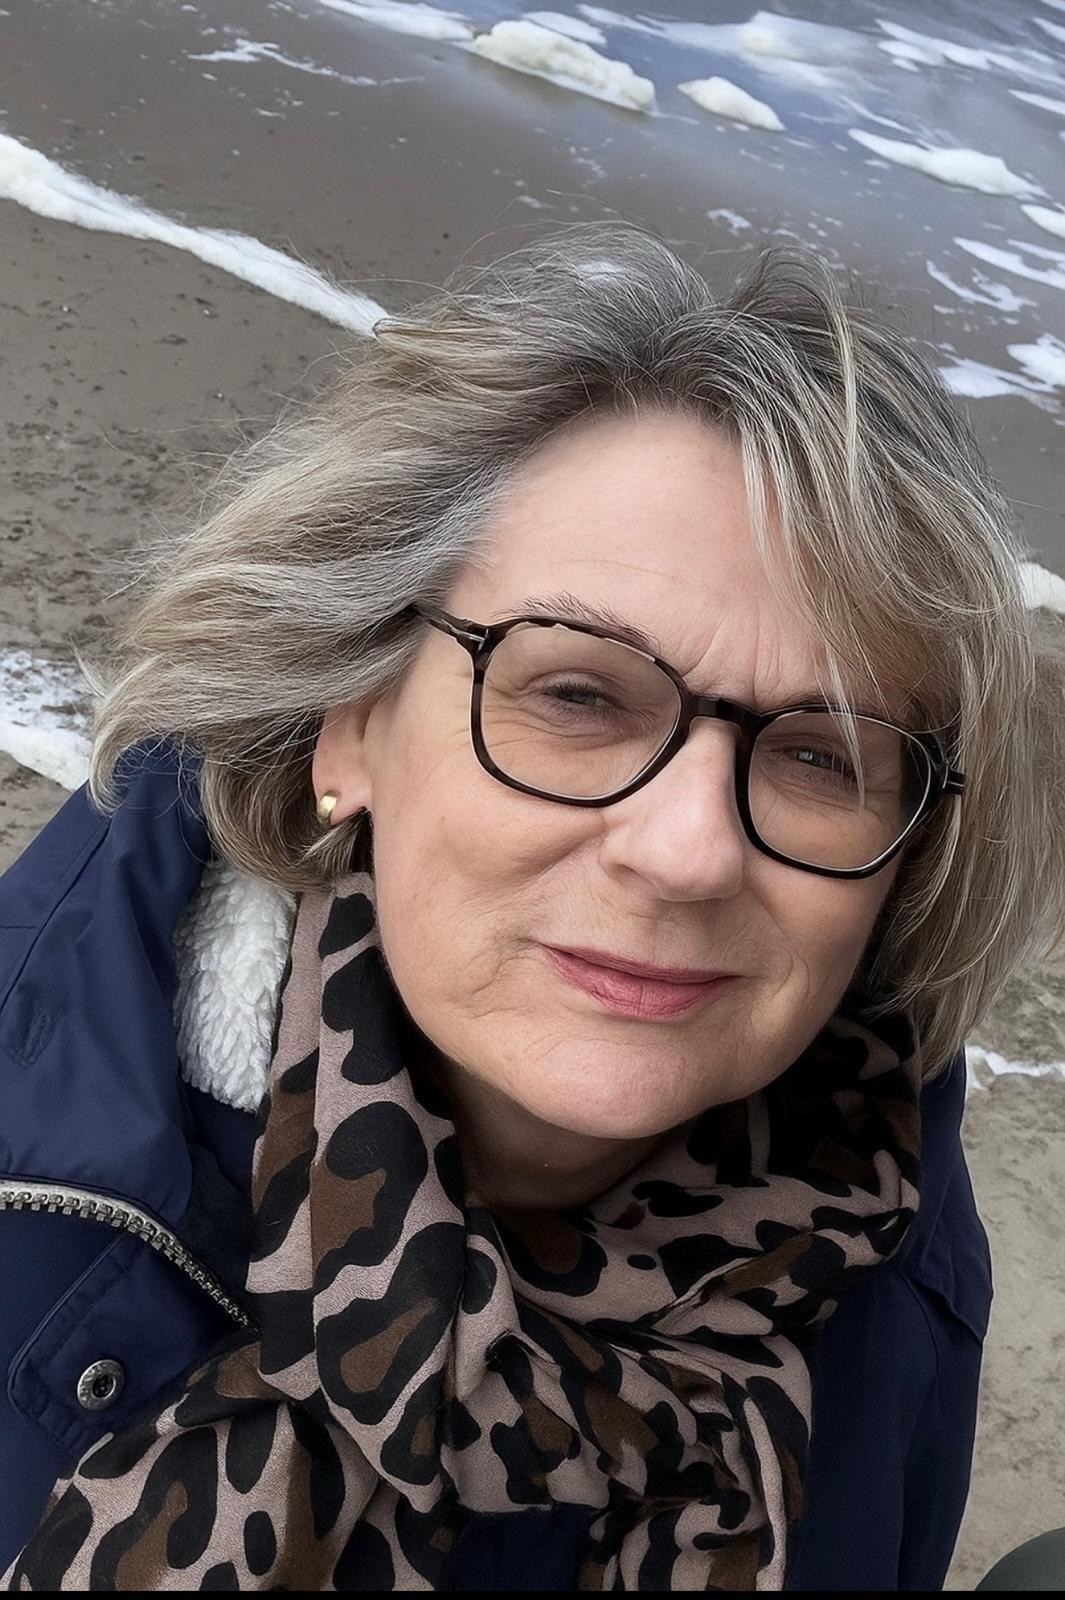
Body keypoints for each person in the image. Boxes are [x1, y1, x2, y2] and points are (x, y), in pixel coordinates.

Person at [2, 223, 1062, 1591]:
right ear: (350, 722)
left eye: (820, 757)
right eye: (575, 694)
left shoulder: (885, 1232)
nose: (685, 852)